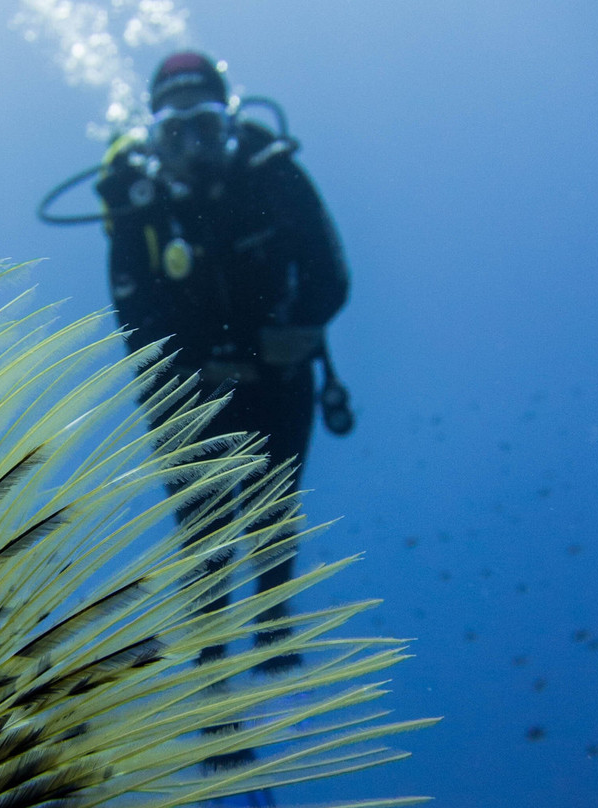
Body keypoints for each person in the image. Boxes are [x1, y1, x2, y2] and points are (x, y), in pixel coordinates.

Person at [92, 51, 353, 673]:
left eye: (206, 127)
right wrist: (205, 363)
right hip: (186, 391)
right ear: (153, 138)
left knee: (272, 519)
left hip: (277, 378)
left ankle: (275, 655)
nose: (193, 148)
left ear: (231, 124)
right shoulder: (138, 203)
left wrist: (284, 336)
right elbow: (135, 319)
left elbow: (332, 277)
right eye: (174, 132)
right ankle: (212, 697)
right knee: (204, 543)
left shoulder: (274, 173)